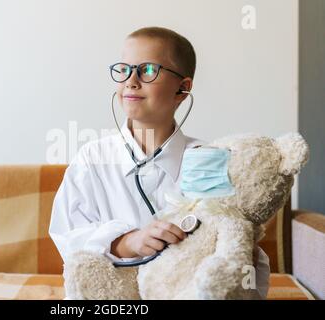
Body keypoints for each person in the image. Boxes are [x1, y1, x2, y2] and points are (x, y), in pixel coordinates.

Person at [49, 26, 270, 299]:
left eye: (148, 70)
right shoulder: (93, 159)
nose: (131, 80)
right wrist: (127, 242)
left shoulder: (208, 161)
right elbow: (68, 237)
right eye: (124, 69)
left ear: (182, 88)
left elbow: (234, 249)